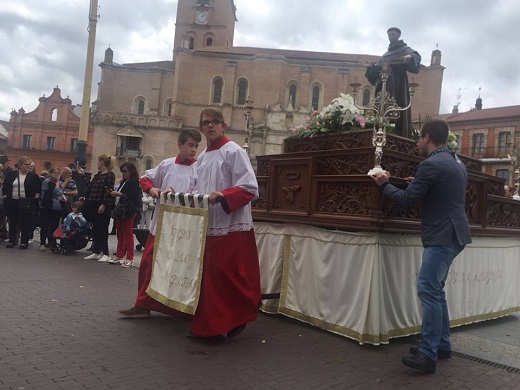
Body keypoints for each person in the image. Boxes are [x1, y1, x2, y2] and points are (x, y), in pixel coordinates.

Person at [371, 119, 472, 374]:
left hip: (441, 235)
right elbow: (442, 190)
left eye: (419, 138)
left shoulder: (431, 164)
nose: (417, 143)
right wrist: (419, 180)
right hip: (455, 232)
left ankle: (428, 354)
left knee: (427, 289)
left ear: (427, 137)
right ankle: (441, 345)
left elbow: (406, 200)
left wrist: (384, 183)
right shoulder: (455, 161)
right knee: (436, 291)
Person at [190, 108, 261, 338]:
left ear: (223, 125)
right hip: (208, 225)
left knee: (227, 275)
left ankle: (233, 318)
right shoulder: (201, 157)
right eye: (205, 123)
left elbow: (250, 188)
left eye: (214, 122)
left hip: (231, 225)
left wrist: (223, 196)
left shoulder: (234, 152)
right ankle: (212, 325)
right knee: (210, 277)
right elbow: (196, 189)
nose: (210, 126)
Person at [119, 128, 201, 318]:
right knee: (148, 263)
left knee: (180, 268)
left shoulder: (199, 168)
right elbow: (145, 178)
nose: (194, 149)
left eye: (196, 146)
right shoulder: (167, 164)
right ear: (179, 145)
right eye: (190, 145)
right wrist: (154, 190)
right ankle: (142, 304)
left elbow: (199, 194)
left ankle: (179, 307)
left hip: (185, 227)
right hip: (162, 223)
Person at [365, 27, 421, 139]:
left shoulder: (405, 49)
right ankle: (382, 129)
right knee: (382, 107)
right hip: (384, 86)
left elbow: (416, 56)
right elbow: (377, 69)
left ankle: (397, 131)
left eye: (393, 34)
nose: (391, 37)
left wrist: (409, 57)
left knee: (397, 106)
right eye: (389, 35)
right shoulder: (386, 54)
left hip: (397, 83)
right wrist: (370, 67)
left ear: (398, 35)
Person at [78, 155, 116, 262]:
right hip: (93, 203)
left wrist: (104, 204)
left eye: (98, 161)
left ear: (102, 162)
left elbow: (109, 191)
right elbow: (91, 187)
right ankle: (96, 251)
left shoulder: (109, 175)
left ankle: (106, 253)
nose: (97, 163)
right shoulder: (98, 175)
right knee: (96, 229)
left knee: (102, 229)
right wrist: (83, 176)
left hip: (101, 204)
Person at [2, 156, 41, 249]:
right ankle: (12, 241)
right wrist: (5, 197)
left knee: (25, 222)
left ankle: (24, 242)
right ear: (20, 165)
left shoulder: (33, 176)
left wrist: (35, 199)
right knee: (13, 222)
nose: (28, 166)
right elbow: (6, 187)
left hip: (26, 201)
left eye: (29, 164)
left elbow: (37, 190)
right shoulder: (11, 175)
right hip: (13, 201)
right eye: (26, 164)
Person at [108, 162, 142, 267]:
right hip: (121, 210)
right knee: (120, 232)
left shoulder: (134, 182)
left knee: (127, 233)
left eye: (125, 171)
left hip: (128, 210)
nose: (123, 173)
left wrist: (120, 194)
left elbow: (134, 196)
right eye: (122, 171)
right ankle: (119, 254)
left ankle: (129, 257)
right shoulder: (124, 182)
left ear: (131, 171)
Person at [39, 167, 67, 251]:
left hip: (57, 208)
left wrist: (62, 194)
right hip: (47, 207)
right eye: (54, 173)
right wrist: (62, 192)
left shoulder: (59, 182)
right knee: (45, 225)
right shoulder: (47, 182)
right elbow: (57, 192)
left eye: (58, 173)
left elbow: (60, 193)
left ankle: (51, 242)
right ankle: (42, 243)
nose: (56, 175)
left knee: (54, 225)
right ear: (50, 173)